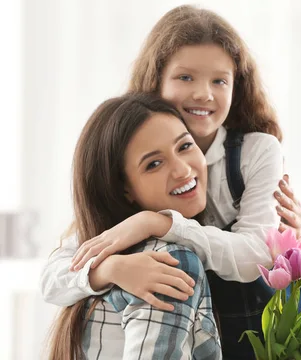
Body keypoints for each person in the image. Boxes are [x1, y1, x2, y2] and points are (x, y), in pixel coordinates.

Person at [41, 5, 301, 359]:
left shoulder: (254, 152)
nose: (203, 94)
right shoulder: (126, 148)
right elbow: (56, 273)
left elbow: (254, 255)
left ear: (236, 86)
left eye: (219, 81)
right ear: (156, 82)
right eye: (185, 78)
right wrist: (111, 267)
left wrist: (157, 222)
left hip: (254, 332)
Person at [46, 94, 221, 359]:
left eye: (185, 146)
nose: (182, 170)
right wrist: (109, 268)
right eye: (154, 164)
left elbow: (247, 250)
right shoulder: (168, 262)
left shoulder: (119, 245)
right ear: (124, 189)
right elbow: (51, 278)